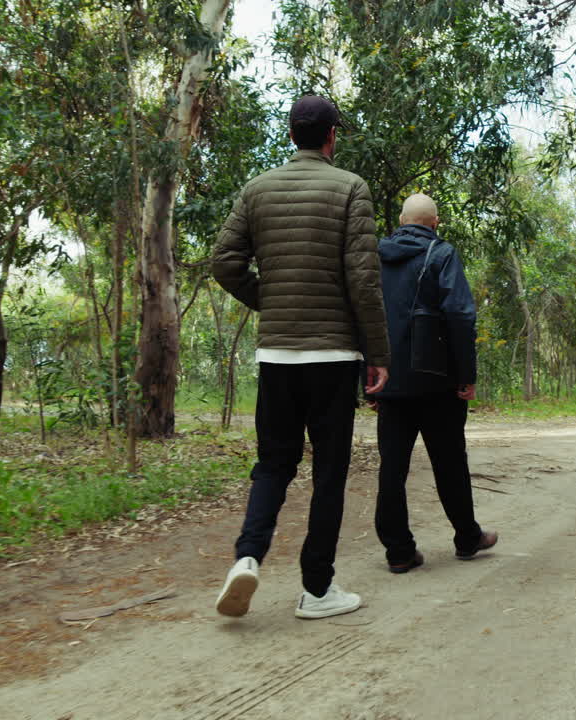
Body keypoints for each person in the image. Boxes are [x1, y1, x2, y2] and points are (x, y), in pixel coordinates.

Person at [210, 96, 390, 619]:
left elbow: (225, 263)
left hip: (278, 357)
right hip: (332, 357)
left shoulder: (256, 189)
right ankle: (316, 591)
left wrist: (272, 299)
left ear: (292, 134)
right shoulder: (351, 188)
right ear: (332, 135)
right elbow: (363, 279)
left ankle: (247, 557)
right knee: (329, 473)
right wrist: (377, 354)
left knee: (273, 465)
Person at [369, 193, 497, 574]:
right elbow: (460, 315)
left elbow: (362, 314)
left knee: (392, 467)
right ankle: (466, 537)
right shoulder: (442, 254)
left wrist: (369, 376)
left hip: (389, 378)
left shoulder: (374, 257)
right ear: (435, 223)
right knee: (449, 462)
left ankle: (398, 551)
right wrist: (466, 376)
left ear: (400, 221)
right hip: (437, 380)